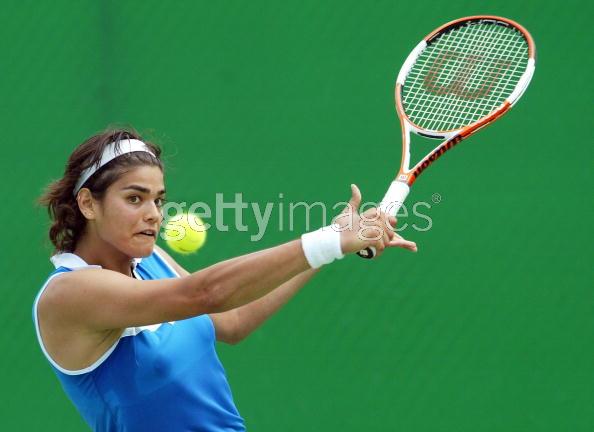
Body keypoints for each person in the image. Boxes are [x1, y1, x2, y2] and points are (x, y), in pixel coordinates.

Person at [33, 128, 417, 431]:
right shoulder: (70, 292)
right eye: (135, 199)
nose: (153, 214)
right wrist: (328, 241)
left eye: (159, 200)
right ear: (88, 204)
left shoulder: (148, 261)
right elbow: (206, 292)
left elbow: (232, 322)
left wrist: (335, 244)